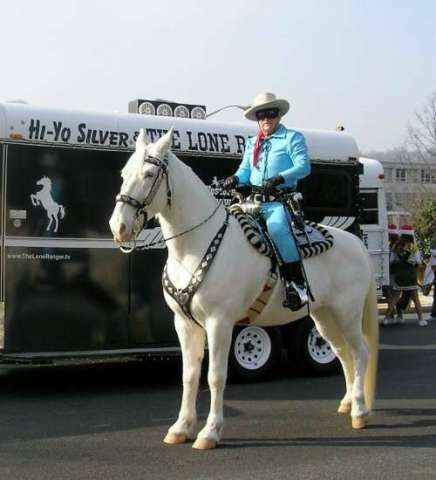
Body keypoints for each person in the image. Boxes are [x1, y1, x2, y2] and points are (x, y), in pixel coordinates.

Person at [224, 92, 311, 310]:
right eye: (261, 115)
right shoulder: (252, 142)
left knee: (278, 230)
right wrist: (234, 178)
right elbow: (245, 171)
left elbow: (304, 166)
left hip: (277, 203)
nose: (266, 119)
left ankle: (297, 285)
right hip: (252, 202)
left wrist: (280, 177)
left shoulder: (292, 138)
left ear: (278, 116)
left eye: (270, 114)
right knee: (226, 225)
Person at [383, 226, 427, 327]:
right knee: (416, 298)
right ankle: (421, 320)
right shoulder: (413, 247)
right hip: (410, 276)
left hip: (398, 276)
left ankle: (386, 319)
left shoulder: (395, 246)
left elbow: (391, 261)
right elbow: (419, 262)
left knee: (394, 298)